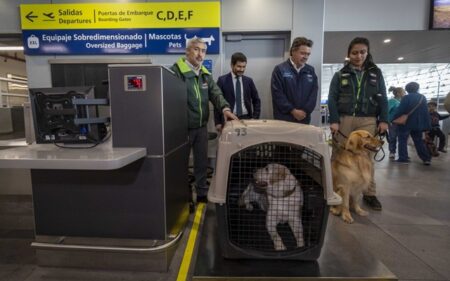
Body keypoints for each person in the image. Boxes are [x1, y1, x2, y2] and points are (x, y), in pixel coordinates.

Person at [171, 37, 238, 202]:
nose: (200, 54)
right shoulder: (176, 72)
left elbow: (216, 93)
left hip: (200, 127)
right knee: (180, 164)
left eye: (203, 51)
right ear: (187, 51)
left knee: (201, 162)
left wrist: (225, 108)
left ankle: (201, 192)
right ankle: (182, 194)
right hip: (182, 128)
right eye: (196, 50)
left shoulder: (204, 74)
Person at [328, 37, 388, 211]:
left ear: (367, 53)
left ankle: (369, 193)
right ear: (349, 54)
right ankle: (333, 191)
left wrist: (384, 119)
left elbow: (383, 97)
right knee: (339, 155)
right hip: (345, 119)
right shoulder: (340, 75)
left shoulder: (376, 74)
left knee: (367, 158)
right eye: (354, 52)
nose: (358, 56)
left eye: (362, 52)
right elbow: (332, 98)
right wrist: (334, 120)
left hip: (368, 120)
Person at [271, 37, 318, 124]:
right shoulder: (280, 70)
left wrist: (304, 111)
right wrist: (292, 111)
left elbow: (313, 94)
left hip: (304, 119)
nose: (306, 57)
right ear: (293, 51)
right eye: (303, 53)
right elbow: (277, 94)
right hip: (284, 118)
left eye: (308, 54)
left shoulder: (310, 70)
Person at [214, 52, 261, 132]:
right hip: (229, 118)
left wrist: (254, 118)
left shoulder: (249, 81)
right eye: (239, 66)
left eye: (244, 67)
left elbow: (256, 100)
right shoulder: (222, 80)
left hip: (247, 118)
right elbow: (217, 102)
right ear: (232, 65)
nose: (242, 69)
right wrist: (217, 122)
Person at [392, 82, 431, 165]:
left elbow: (400, 110)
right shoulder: (422, 97)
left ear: (407, 89)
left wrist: (393, 118)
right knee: (418, 141)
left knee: (402, 140)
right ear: (417, 88)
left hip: (405, 123)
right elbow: (425, 112)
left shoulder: (406, 98)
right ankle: (426, 158)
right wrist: (427, 126)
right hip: (418, 124)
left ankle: (403, 158)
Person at [387, 86, 406, 159]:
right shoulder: (392, 101)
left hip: (401, 123)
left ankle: (402, 154)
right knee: (393, 137)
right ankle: (392, 152)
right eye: (403, 92)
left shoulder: (402, 101)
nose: (404, 93)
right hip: (393, 123)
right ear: (398, 93)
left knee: (401, 138)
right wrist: (388, 121)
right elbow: (387, 111)